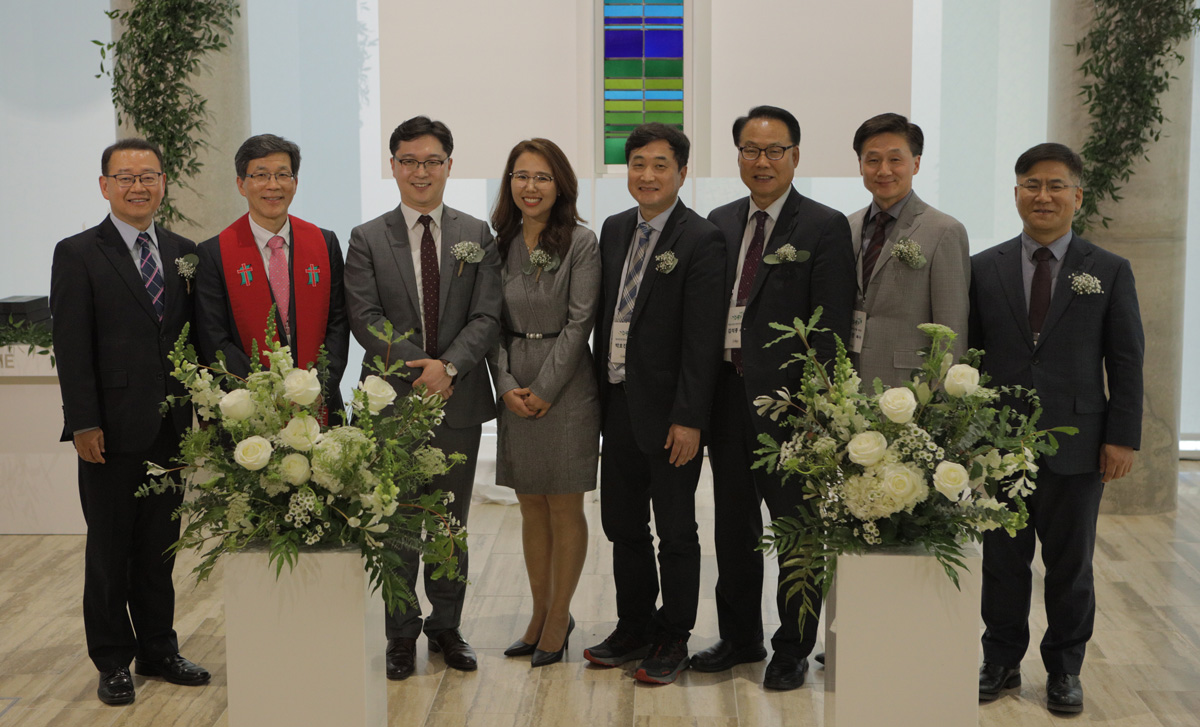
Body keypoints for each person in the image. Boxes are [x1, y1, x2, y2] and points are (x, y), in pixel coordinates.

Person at [970, 143, 1144, 714]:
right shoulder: (984, 267)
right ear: (1016, 192)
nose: (1042, 196)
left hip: (1079, 444)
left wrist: (1122, 436)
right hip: (999, 443)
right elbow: (970, 357)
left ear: (1077, 196)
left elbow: (1126, 360)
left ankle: (1065, 669)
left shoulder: (1109, 270)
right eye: (1031, 185)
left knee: (1071, 566)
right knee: (1002, 562)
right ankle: (1000, 660)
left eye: (1055, 185)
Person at [693, 106, 856, 690]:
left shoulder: (823, 226)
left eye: (774, 150)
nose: (761, 161)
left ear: (795, 156)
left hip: (790, 408)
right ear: (738, 155)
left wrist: (816, 413)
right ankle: (740, 637)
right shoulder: (719, 221)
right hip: (726, 397)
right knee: (733, 527)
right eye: (750, 150)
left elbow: (832, 329)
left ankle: (793, 646)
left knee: (796, 530)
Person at [50, 138, 210, 705]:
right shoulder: (78, 253)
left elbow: (193, 340)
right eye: (126, 177)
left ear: (163, 182)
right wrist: (83, 422)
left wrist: (204, 413)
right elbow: (71, 346)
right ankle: (113, 659)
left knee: (159, 549)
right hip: (110, 432)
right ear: (105, 186)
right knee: (109, 551)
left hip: (170, 428)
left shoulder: (184, 252)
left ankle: (159, 650)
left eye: (148, 176)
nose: (138, 186)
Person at [343, 116, 501, 680]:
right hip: (392, 402)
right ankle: (400, 632)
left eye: (432, 161)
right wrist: (423, 368)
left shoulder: (477, 233)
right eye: (409, 161)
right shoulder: (367, 237)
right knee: (398, 521)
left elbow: (487, 314)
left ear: (449, 166)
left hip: (458, 398)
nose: (421, 172)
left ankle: (447, 627)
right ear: (393, 166)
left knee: (449, 523)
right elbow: (366, 317)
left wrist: (449, 366)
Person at [583, 123, 725, 685]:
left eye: (660, 165)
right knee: (622, 525)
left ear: (682, 173)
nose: (647, 175)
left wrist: (690, 418)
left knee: (675, 530)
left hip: (670, 416)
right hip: (618, 402)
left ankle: (674, 635)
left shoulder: (702, 238)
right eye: (637, 164)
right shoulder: (616, 228)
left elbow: (702, 339)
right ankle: (633, 625)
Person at [485, 138, 600, 668]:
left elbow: (580, 322)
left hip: (567, 386)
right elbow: (488, 323)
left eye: (542, 177)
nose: (530, 187)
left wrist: (546, 389)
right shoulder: (498, 244)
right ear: (510, 182)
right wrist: (506, 383)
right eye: (522, 175)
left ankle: (560, 617)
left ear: (561, 186)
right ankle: (538, 613)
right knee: (530, 503)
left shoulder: (581, 242)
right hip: (514, 382)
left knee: (564, 504)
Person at [194, 134, 349, 419]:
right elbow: (215, 338)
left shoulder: (324, 243)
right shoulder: (214, 253)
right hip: (252, 409)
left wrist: (316, 389)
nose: (273, 185)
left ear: (295, 182)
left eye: (282, 175)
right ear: (241, 184)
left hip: (320, 403)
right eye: (261, 175)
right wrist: (268, 393)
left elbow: (338, 323)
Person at [847, 113, 970, 389]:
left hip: (912, 387)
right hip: (850, 384)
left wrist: (940, 401)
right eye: (873, 160)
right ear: (860, 165)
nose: (884, 170)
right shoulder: (848, 226)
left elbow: (950, 332)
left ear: (915, 164)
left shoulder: (945, 231)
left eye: (895, 159)